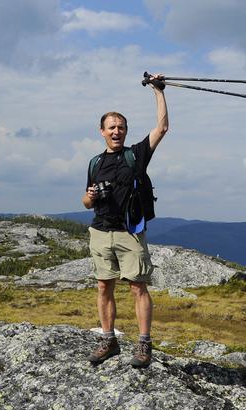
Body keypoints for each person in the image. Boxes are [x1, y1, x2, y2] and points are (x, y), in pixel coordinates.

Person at [82, 73, 168, 368]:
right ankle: (109, 340)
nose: (117, 131)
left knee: (137, 287)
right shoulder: (95, 162)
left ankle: (144, 345)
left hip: (130, 233)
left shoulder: (136, 156)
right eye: (111, 127)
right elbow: (84, 200)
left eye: (121, 127)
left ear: (126, 131)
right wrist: (91, 197)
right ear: (102, 131)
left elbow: (162, 127)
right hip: (100, 231)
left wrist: (158, 91)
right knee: (104, 287)